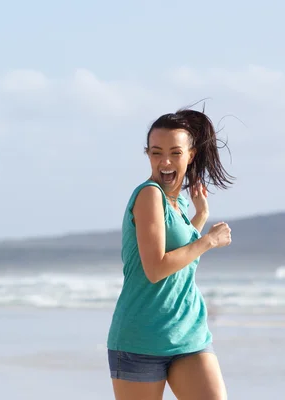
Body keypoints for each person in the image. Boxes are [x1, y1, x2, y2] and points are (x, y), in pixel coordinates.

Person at [106, 108, 234, 400]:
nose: (165, 161)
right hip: (141, 338)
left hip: (188, 334)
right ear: (148, 154)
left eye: (175, 153)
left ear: (191, 155)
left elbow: (180, 259)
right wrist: (208, 241)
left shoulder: (178, 205)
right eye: (156, 152)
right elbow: (156, 268)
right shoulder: (149, 195)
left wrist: (200, 216)